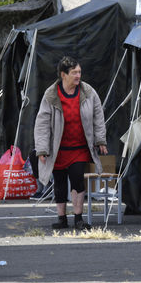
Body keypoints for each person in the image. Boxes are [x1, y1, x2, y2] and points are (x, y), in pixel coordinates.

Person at [34, 56, 108, 231]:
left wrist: (100, 140)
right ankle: (61, 218)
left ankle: (78, 218)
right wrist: (42, 148)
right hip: (58, 148)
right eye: (74, 72)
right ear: (63, 74)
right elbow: (42, 122)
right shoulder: (51, 94)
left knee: (77, 179)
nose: (78, 76)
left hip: (80, 148)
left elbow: (98, 116)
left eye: (79, 72)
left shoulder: (88, 91)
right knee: (59, 182)